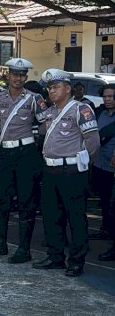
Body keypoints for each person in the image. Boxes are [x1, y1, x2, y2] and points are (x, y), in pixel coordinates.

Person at [0, 58, 47, 262]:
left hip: (26, 153)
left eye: (22, 75)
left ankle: (24, 249)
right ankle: (0, 243)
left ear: (26, 77)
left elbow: (44, 125)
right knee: (1, 199)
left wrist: (33, 138)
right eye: (14, 74)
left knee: (26, 201)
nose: (18, 78)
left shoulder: (34, 98)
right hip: (6, 153)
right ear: (8, 75)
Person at [34, 69, 100, 277]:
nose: (52, 91)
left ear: (68, 88)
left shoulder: (81, 110)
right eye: (50, 88)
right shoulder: (51, 111)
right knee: (52, 215)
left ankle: (76, 261)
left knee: (76, 217)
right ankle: (55, 257)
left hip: (71, 170)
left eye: (56, 87)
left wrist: (81, 163)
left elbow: (93, 143)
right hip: (51, 169)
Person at [91, 84, 115, 261]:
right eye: (105, 96)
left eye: (111, 96)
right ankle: (105, 229)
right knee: (105, 202)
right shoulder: (99, 114)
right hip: (100, 165)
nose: (107, 99)